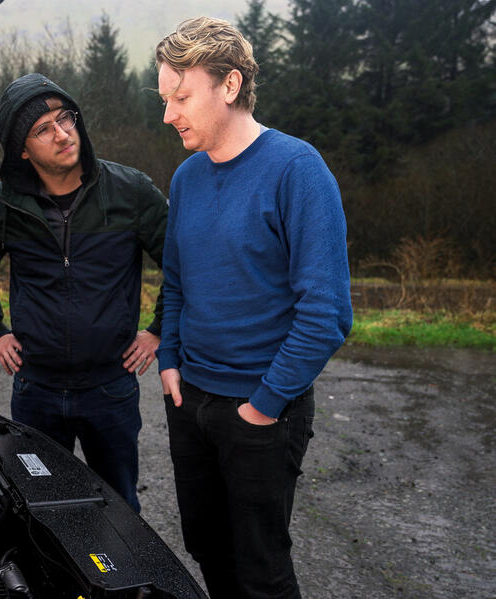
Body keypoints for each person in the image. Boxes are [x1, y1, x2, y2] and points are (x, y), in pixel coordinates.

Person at [154, 17, 352, 599]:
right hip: (190, 400)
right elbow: (177, 283)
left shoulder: (297, 169)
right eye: (166, 99)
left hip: (262, 410)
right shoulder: (187, 178)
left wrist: (264, 406)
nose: (169, 115)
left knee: (261, 568)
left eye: (182, 97)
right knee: (207, 547)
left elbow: (327, 313)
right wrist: (169, 360)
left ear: (231, 85)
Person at [0, 73, 168, 512]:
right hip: (37, 391)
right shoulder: (5, 204)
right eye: (43, 128)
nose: (62, 133)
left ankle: (127, 582)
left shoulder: (130, 191)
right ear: (23, 149)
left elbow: (183, 267)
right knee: (42, 506)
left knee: (120, 507)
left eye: (65, 118)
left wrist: (158, 329)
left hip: (110, 389)